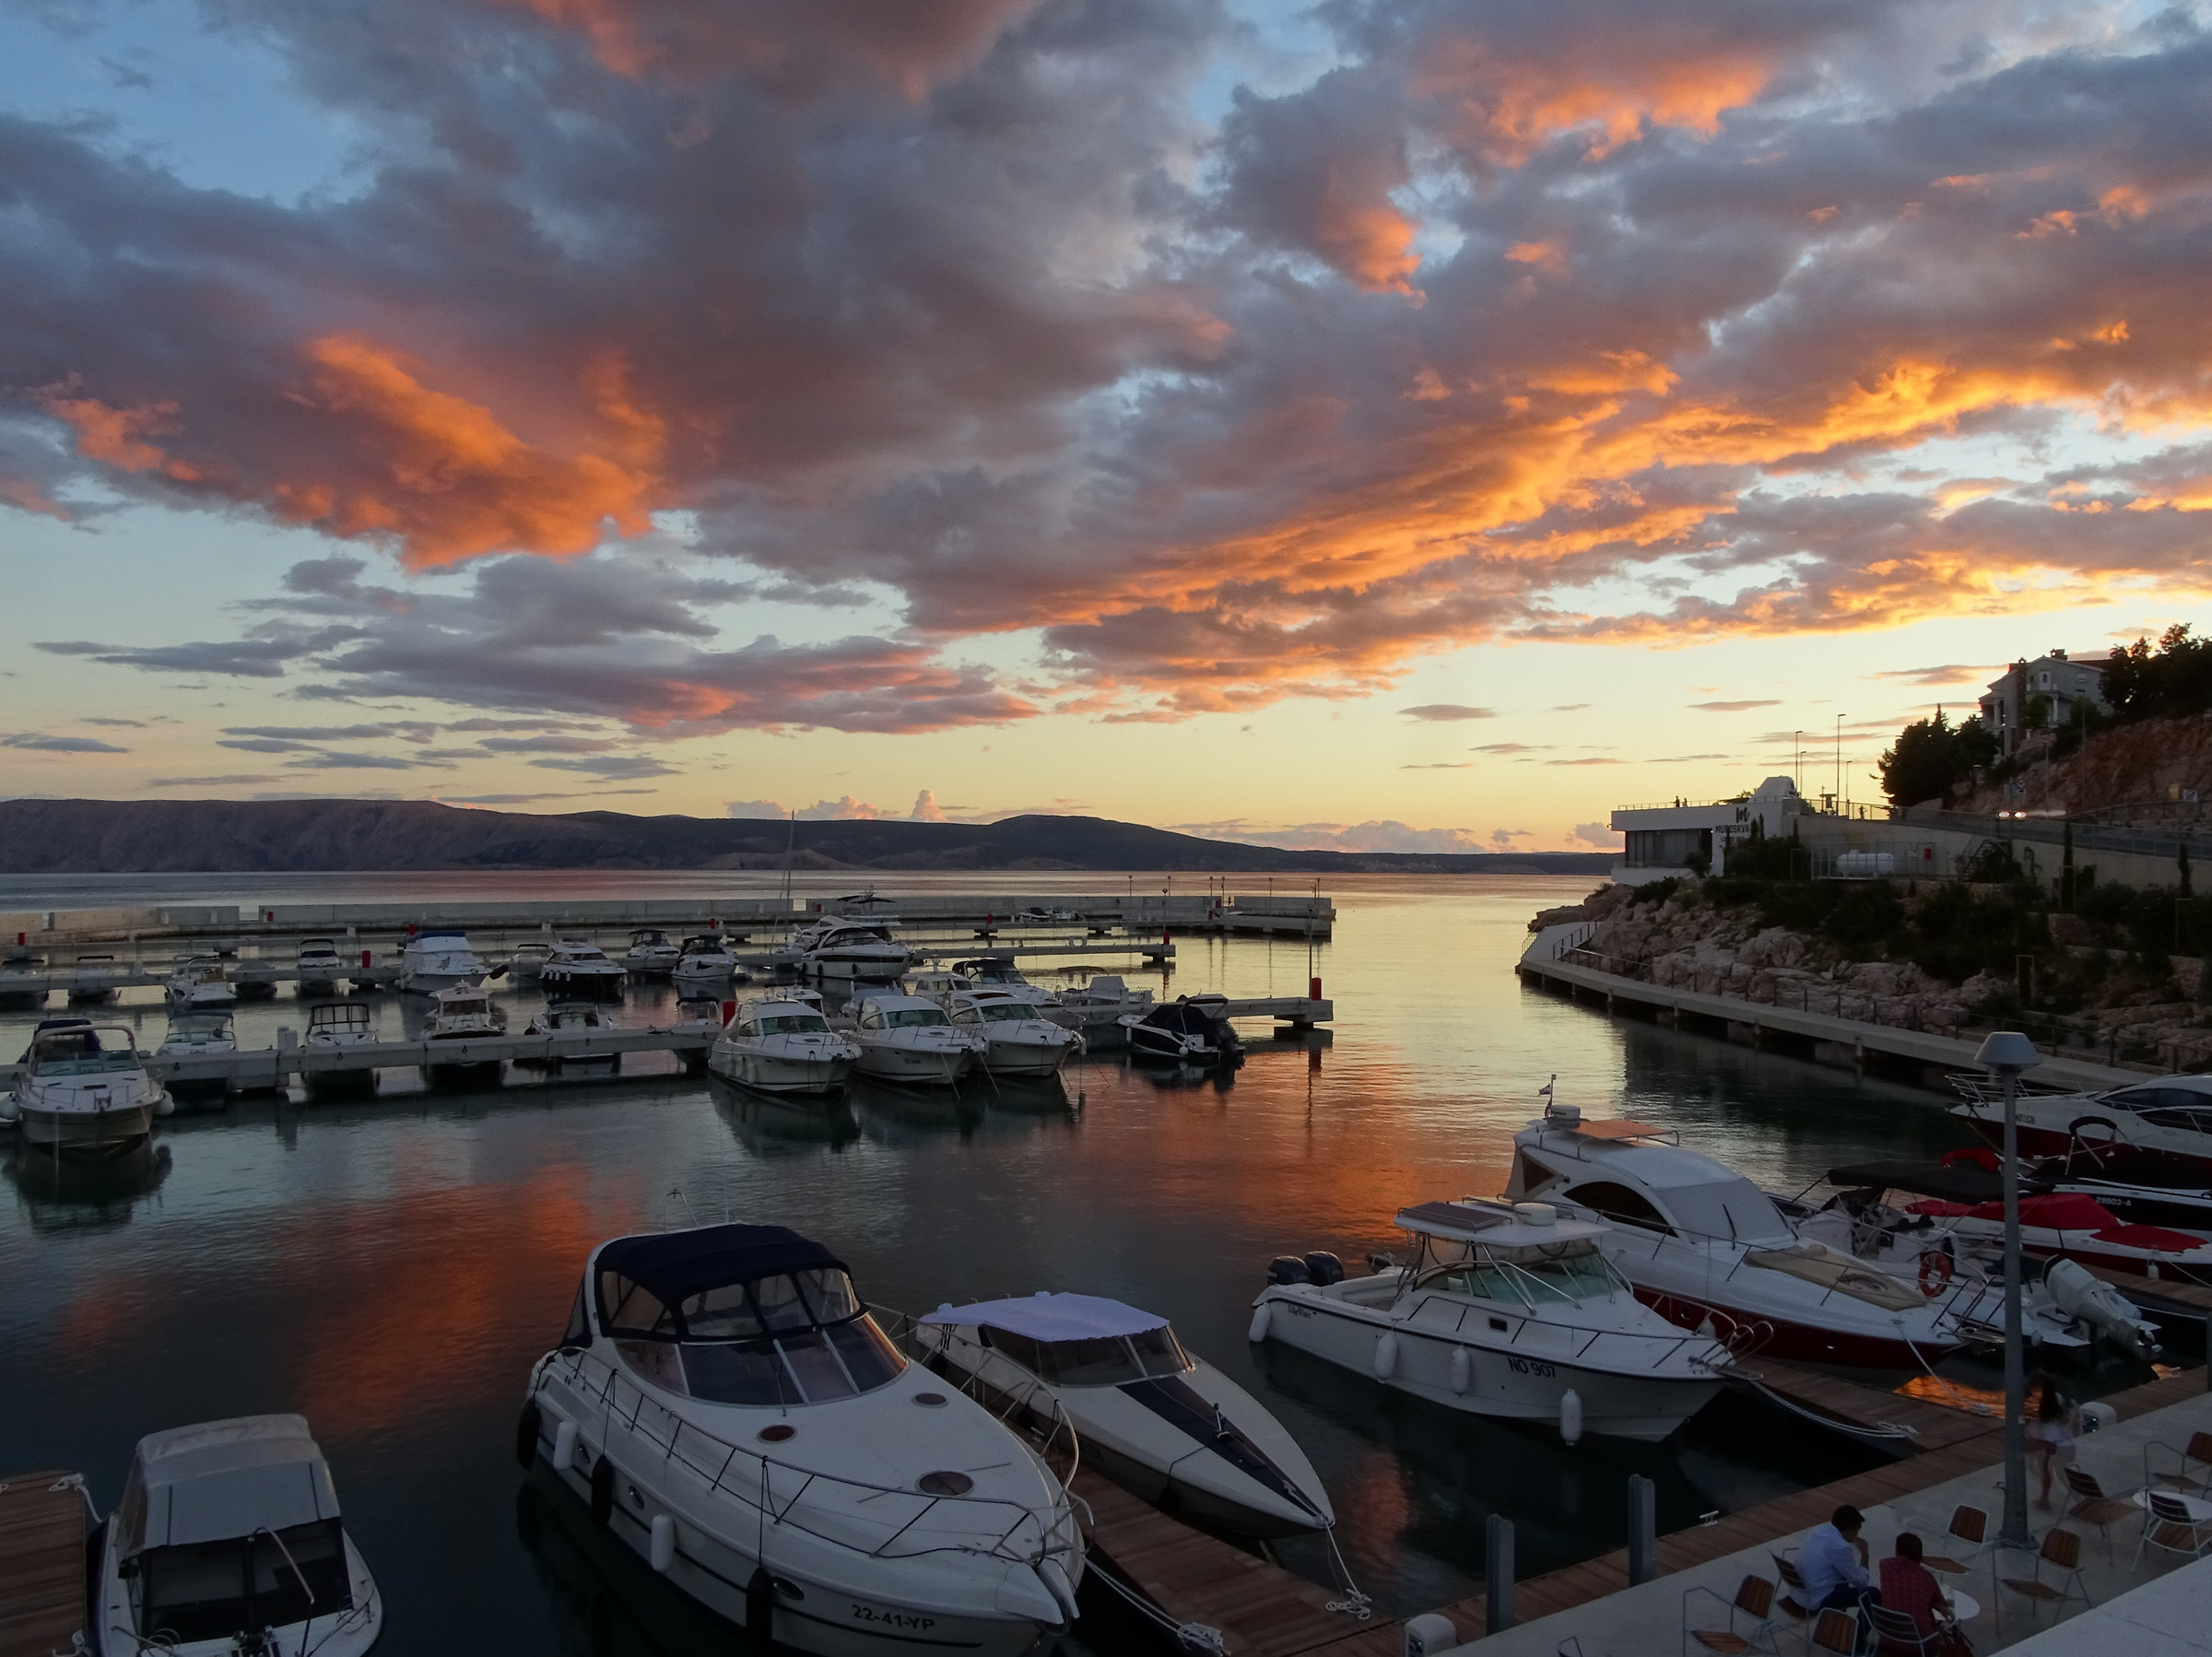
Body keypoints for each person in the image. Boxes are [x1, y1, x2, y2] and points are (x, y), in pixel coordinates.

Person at [1800, 1505, 1879, 1649]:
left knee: (1842, 1582)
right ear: (1850, 1529)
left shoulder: (1817, 1531)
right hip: (1817, 1599)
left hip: (1801, 1592)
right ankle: (1859, 1643)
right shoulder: (1840, 1546)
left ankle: (1834, 1630)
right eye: (1856, 1531)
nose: (1856, 1536)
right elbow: (1860, 1582)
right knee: (1873, 1594)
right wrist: (1865, 1554)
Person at [1878, 1533, 1966, 1653]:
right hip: (1918, 1645)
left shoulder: (1885, 1566)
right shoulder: (1926, 1577)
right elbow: (1942, 1603)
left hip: (1887, 1637)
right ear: (1919, 1554)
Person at [2027, 1376, 2077, 1511]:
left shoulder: (2043, 1405)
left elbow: (2038, 1429)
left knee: (2049, 1471)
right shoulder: (2056, 1400)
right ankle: (2075, 1499)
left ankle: (2044, 1500)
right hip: (2064, 1444)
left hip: (2054, 1444)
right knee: (2056, 1472)